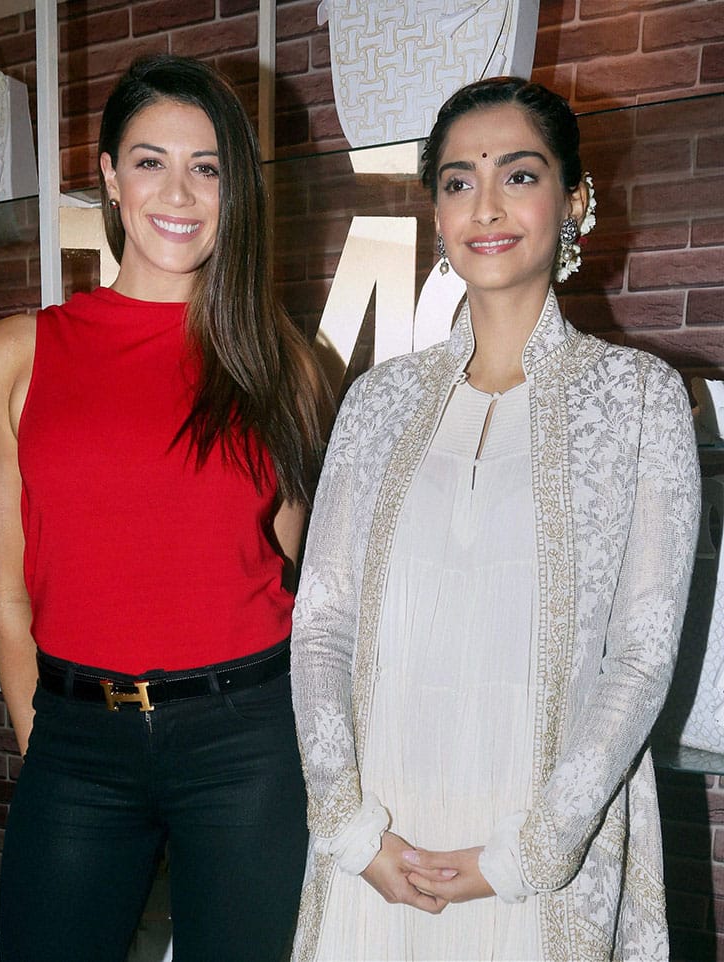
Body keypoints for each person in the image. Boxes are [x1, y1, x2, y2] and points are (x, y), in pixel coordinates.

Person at [290, 76, 700, 961]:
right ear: (436, 213)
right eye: (457, 180)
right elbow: (322, 624)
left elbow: (641, 652)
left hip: (540, 845)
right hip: (382, 838)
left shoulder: (639, 400)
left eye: (518, 175)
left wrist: (530, 852)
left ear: (575, 198)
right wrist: (351, 827)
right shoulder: (375, 402)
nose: (485, 205)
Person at [0, 55, 329, 962]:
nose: (180, 191)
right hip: (77, 739)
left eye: (207, 167)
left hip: (246, 739)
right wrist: (42, 744)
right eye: (150, 160)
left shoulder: (277, 359)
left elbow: (303, 569)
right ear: (107, 177)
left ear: (233, 188)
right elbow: (10, 593)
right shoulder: (18, 354)